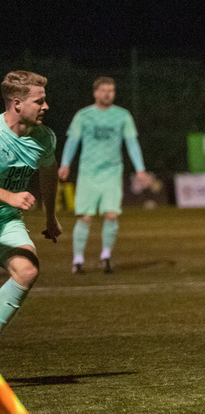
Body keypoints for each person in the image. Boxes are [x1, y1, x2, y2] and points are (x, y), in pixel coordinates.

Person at [58, 77, 150, 274]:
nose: (108, 94)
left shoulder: (122, 116)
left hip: (112, 172)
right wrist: (65, 164)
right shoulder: (83, 115)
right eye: (104, 90)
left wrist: (140, 169)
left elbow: (132, 143)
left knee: (111, 215)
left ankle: (106, 256)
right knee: (85, 216)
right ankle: (78, 260)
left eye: (111, 90)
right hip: (88, 173)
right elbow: (73, 140)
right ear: (95, 93)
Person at [0, 71, 61, 338]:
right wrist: (8, 196)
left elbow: (48, 172)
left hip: (6, 221)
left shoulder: (44, 138)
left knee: (27, 270)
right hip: (7, 206)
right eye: (39, 101)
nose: (45, 106)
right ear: (17, 103)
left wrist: (50, 216)